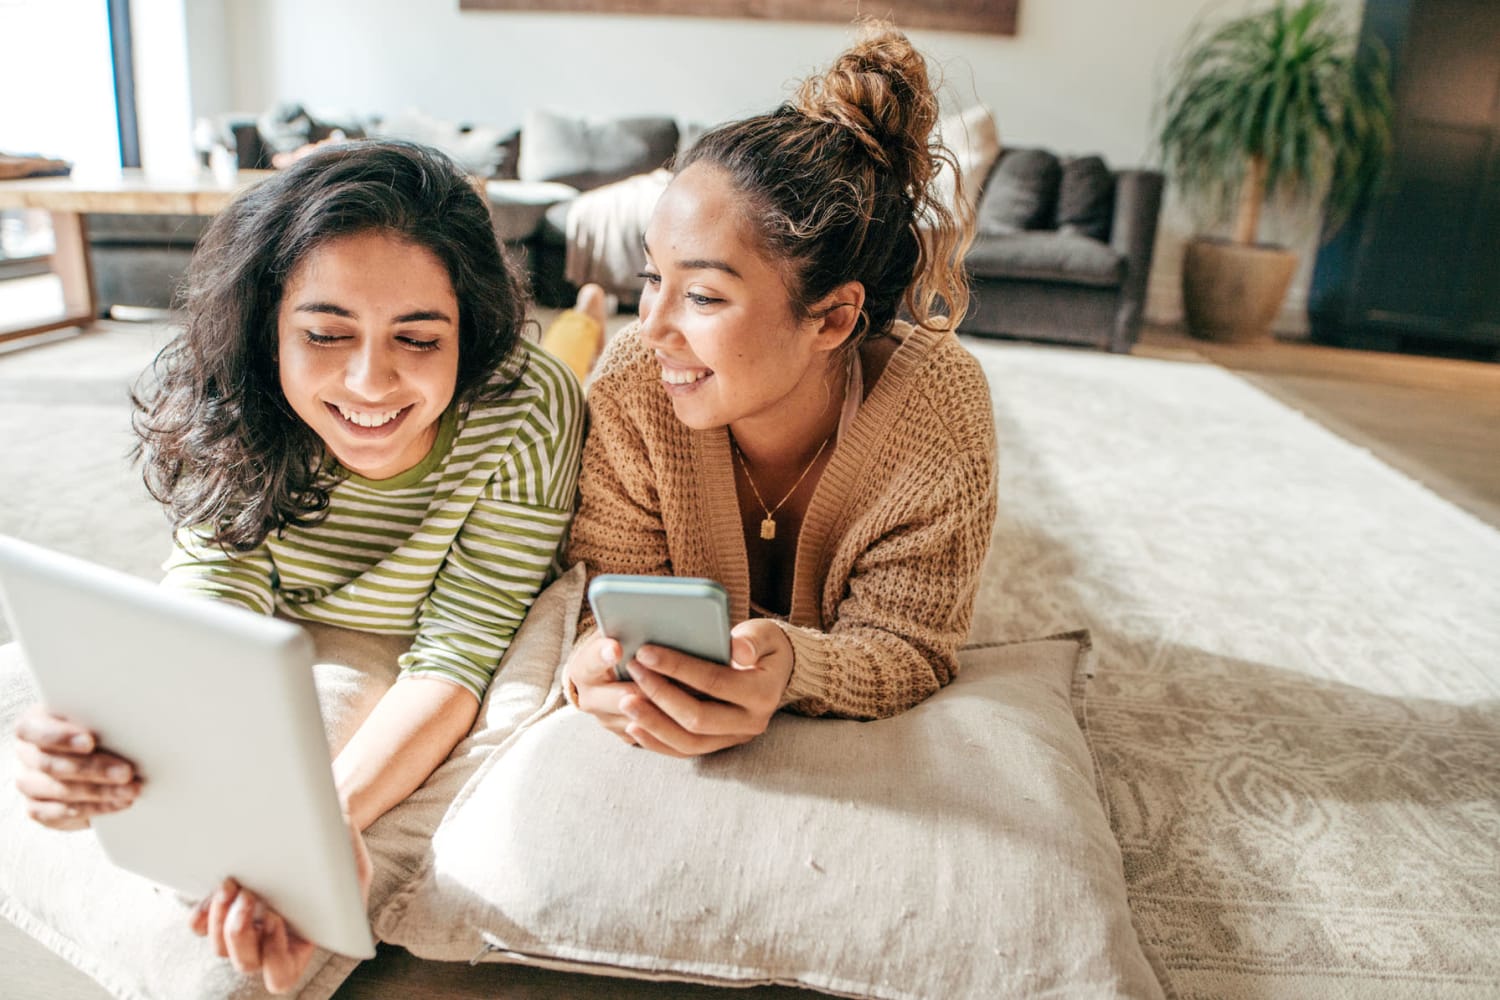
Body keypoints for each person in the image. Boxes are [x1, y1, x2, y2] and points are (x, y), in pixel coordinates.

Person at [9, 140, 584, 991]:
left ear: (470, 330)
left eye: (420, 338)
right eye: (324, 333)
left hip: (540, 402)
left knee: (579, 349)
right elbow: (211, 594)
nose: (370, 381)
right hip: (293, 593)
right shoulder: (231, 394)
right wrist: (104, 738)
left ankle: (593, 314)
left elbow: (458, 648)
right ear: (267, 325)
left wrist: (313, 833)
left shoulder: (525, 406)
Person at [563, 22, 999, 757]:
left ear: (832, 318)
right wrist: (592, 664)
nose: (654, 326)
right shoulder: (634, 381)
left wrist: (799, 666)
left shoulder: (938, 412)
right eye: (650, 279)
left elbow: (912, 645)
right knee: (565, 357)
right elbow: (601, 592)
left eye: (701, 296)